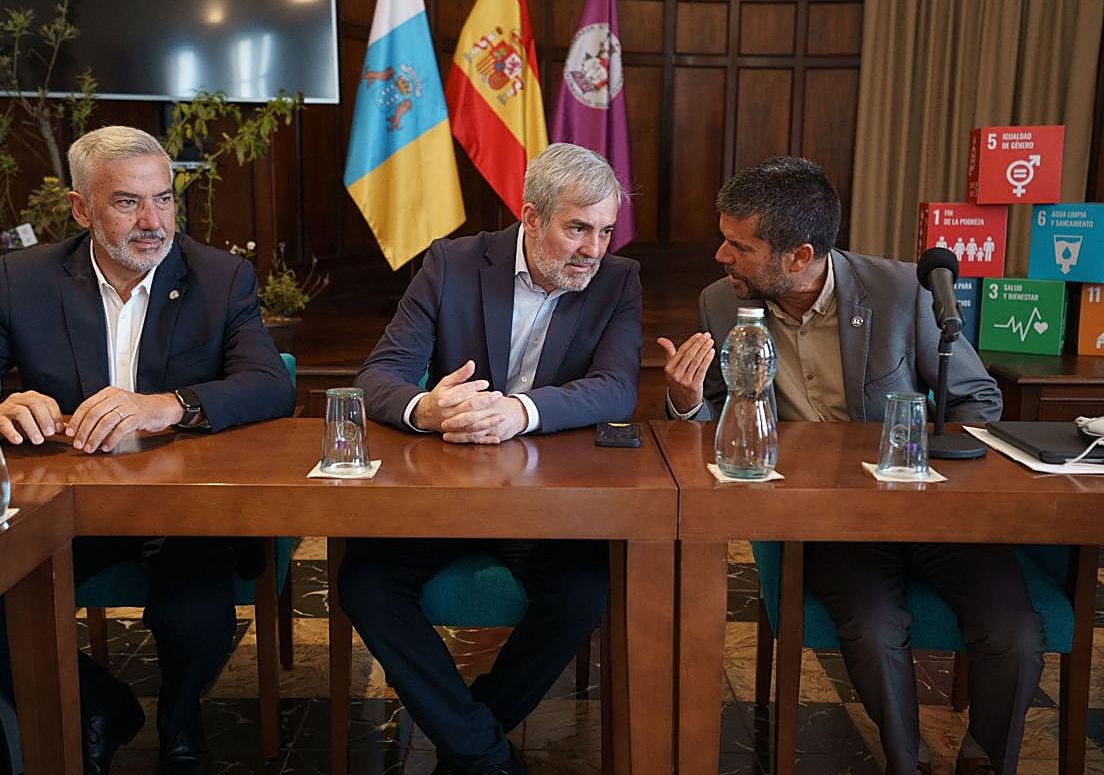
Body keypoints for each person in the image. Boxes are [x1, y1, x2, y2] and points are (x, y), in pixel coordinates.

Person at [0, 126, 296, 775]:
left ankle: (180, 726)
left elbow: (270, 384)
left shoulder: (220, 277)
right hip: (72, 507)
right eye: (128, 203)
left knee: (195, 616)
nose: (154, 222)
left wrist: (168, 404)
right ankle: (102, 704)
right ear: (81, 208)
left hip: (184, 509)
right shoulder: (25, 279)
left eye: (165, 200)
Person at [657, 156, 1043, 775]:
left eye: (740, 245)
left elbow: (978, 398)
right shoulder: (720, 305)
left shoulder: (899, 293)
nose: (720, 257)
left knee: (1017, 633)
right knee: (871, 627)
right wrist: (686, 401)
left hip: (931, 507)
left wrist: (934, 454)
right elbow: (717, 430)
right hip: (829, 520)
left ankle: (983, 759)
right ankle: (904, 762)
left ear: (798, 254)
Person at [341, 142, 642, 775]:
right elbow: (379, 376)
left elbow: (617, 387)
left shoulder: (618, 280)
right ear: (531, 218)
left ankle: (469, 742)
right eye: (578, 229)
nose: (594, 249)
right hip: (449, 493)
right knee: (365, 584)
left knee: (583, 591)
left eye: (606, 230)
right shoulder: (452, 263)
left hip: (548, 503)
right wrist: (427, 407)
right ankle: (482, 753)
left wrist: (520, 411)